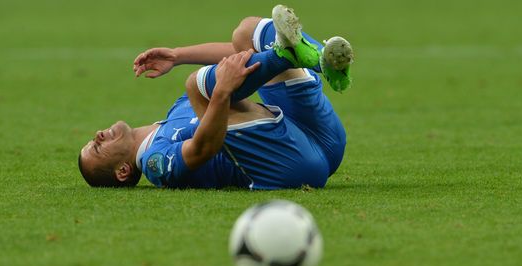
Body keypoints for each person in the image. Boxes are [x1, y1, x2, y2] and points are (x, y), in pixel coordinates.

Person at [78, 5, 353, 190]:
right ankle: (287, 54)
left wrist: (177, 55)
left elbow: (237, 58)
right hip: (292, 165)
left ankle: (322, 60)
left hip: (322, 139)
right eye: (96, 148)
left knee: (245, 32)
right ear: (123, 171)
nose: (98, 135)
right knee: (199, 85)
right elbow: (202, 149)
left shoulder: (176, 112)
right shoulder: (155, 162)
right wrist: (221, 92)